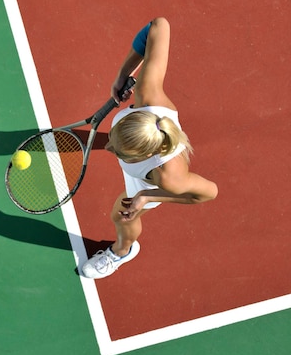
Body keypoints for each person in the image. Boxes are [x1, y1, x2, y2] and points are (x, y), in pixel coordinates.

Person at [81, 17, 218, 279]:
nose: (109, 148)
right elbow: (160, 25)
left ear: (144, 155)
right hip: (149, 150)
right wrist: (124, 73)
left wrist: (150, 196)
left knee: (122, 216)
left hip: (145, 183)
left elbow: (209, 192)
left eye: (118, 150)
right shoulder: (147, 94)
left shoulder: (168, 177)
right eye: (115, 139)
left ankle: (122, 251)